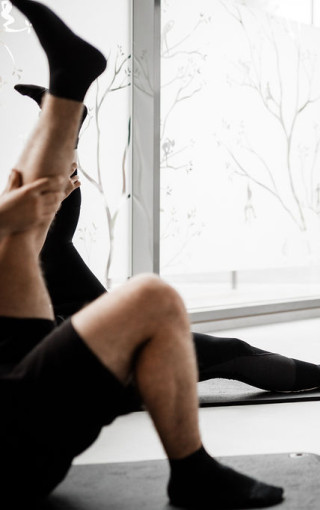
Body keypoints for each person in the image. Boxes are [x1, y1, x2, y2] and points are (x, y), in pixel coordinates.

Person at [0, 1, 284, 507]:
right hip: (12, 451)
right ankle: (193, 471)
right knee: (151, 297)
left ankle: (67, 93)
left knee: (20, 230)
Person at [15, 82, 320, 394]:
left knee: (52, 244)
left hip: (62, 333)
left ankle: (64, 126)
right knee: (230, 353)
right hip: (89, 363)